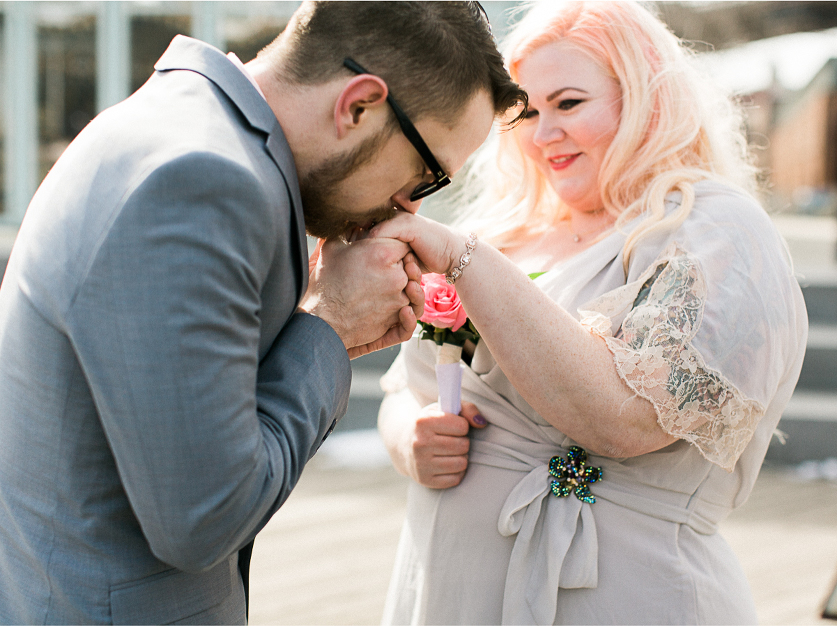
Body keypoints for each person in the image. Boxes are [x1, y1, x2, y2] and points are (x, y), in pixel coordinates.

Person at [0, 2, 526, 623]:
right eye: (426, 174)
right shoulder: (201, 181)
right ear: (358, 105)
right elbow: (204, 516)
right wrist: (330, 328)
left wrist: (329, 327)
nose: (407, 208)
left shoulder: (189, 133)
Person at [374, 1, 808, 623]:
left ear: (644, 102)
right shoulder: (498, 234)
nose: (544, 133)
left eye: (569, 104)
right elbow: (402, 389)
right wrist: (406, 440)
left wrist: (466, 260)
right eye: (527, 110)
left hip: (620, 593)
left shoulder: (713, 231)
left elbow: (625, 420)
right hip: (450, 592)